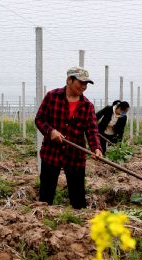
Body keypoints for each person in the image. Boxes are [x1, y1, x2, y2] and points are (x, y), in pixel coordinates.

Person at [35, 66, 102, 209]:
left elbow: (92, 130)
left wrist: (96, 148)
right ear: (69, 80)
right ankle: (42, 222)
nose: (84, 87)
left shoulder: (87, 106)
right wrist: (51, 131)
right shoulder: (52, 97)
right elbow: (39, 119)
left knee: (78, 196)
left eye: (86, 84)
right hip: (51, 152)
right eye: (81, 82)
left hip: (75, 154)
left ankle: (78, 223)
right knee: (46, 193)